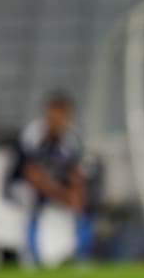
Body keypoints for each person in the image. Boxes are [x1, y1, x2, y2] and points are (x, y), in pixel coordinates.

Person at [8, 90, 93, 264]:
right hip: (25, 186)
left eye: (62, 116)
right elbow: (32, 175)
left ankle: (80, 252)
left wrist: (76, 195)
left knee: (84, 201)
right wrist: (62, 195)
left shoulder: (72, 139)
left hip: (56, 186)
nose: (57, 121)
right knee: (29, 197)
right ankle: (30, 252)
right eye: (54, 115)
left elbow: (75, 173)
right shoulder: (32, 135)